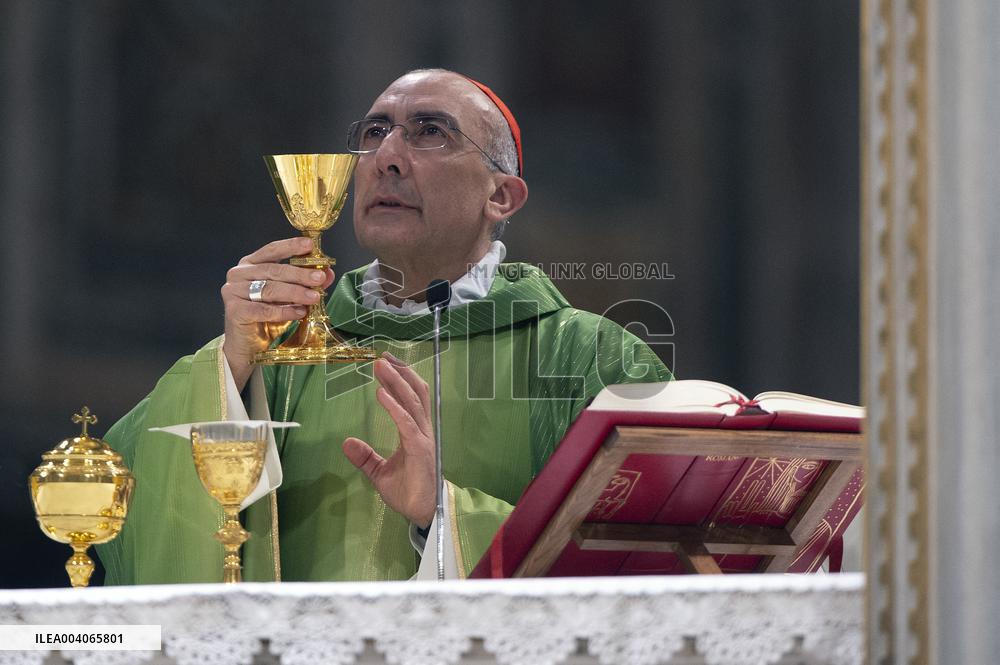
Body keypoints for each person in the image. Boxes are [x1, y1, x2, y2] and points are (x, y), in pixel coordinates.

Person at [96, 69, 671, 584]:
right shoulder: (282, 344)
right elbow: (118, 489)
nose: (387, 157)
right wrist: (231, 368)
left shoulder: (590, 358)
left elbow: (648, 562)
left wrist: (442, 518)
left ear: (501, 196)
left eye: (430, 132)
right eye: (375, 133)